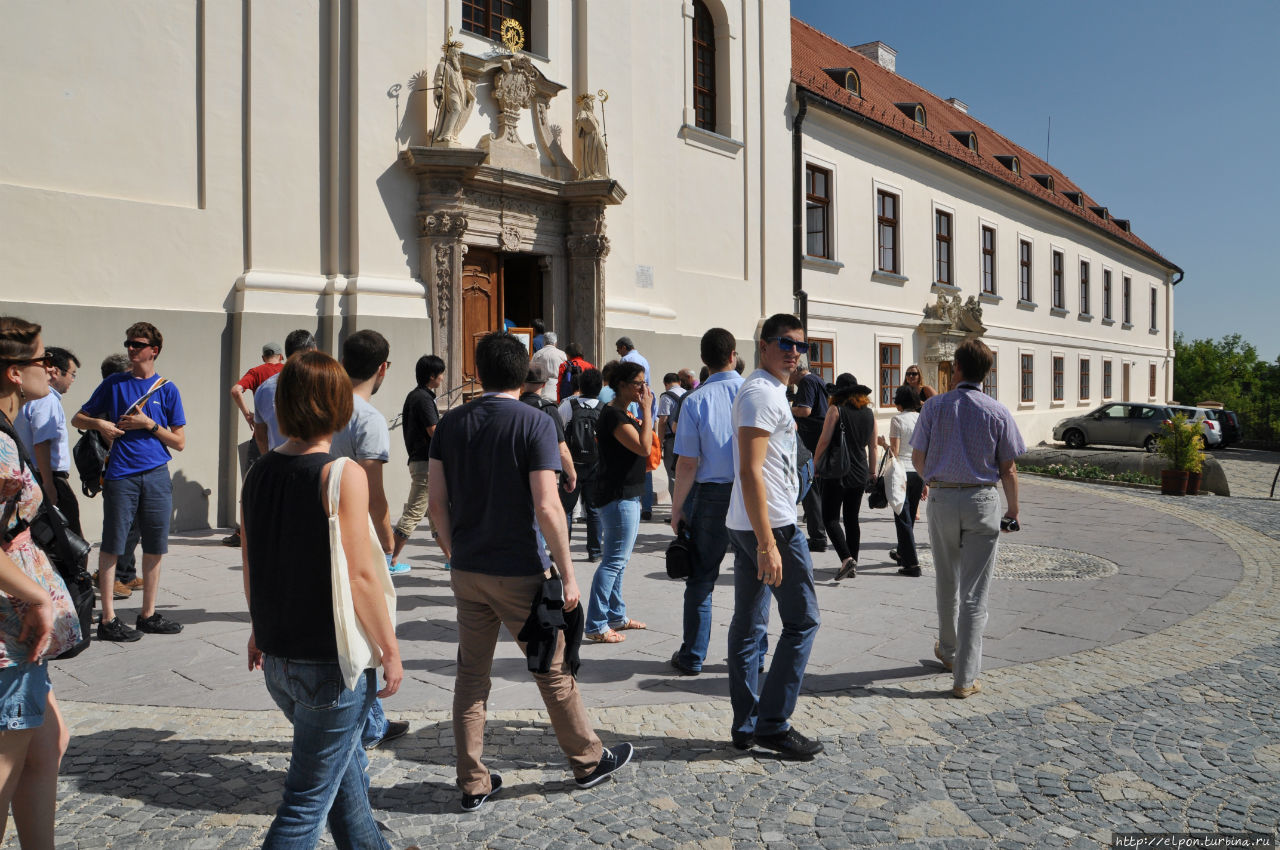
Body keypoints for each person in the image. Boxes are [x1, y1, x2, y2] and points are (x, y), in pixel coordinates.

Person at [428, 332, 633, 811]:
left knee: (470, 677)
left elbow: (437, 504)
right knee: (553, 669)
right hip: (521, 568)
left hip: (468, 568)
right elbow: (547, 505)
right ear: (523, 374)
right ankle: (587, 760)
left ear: (478, 372)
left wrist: (453, 550)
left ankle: (473, 781)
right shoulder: (534, 421)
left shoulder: (451, 423)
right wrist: (569, 573)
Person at [241, 350, 402, 848]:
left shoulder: (259, 471)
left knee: (344, 771)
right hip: (330, 663)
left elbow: (253, 562)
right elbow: (360, 576)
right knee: (305, 802)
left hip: (278, 657)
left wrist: (257, 628)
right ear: (338, 406)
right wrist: (390, 649)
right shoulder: (340, 473)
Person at [725, 313, 823, 760]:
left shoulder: (769, 392)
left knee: (750, 626)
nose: (794, 351)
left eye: (800, 345)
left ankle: (747, 725)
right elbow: (749, 470)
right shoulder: (761, 394)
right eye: (784, 343)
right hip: (772, 526)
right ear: (763, 346)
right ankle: (772, 723)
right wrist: (768, 543)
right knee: (802, 620)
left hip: (753, 522)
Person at [0, 316, 81, 849]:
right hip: (11, 630)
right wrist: (36, 598)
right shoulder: (1, 447)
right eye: (41, 361)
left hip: (21, 632)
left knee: (48, 744)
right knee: (5, 769)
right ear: (13, 373)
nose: (50, 371)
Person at [910, 339, 1024, 699]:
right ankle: (965, 676)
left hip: (943, 497)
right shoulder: (997, 411)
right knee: (975, 592)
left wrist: (933, 480)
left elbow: (916, 457)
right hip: (981, 500)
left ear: (956, 369)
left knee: (946, 578)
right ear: (986, 372)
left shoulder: (934, 407)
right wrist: (1013, 510)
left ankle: (948, 649)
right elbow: (1009, 469)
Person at [72, 322, 187, 642]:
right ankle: (107, 619)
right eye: (129, 344)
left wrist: (148, 424)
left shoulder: (167, 389)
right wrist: (101, 424)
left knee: (154, 546)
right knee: (112, 544)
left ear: (154, 350)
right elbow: (78, 418)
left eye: (138, 344)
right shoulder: (114, 384)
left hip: (156, 474)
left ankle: (148, 614)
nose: (131, 349)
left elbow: (179, 442)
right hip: (121, 474)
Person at [331, 330, 409, 752]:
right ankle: (367, 724)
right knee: (369, 623)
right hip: (356, 531)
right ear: (383, 368)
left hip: (324, 527)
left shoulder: (326, 406)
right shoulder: (369, 418)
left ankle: (371, 718)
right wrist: (387, 535)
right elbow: (372, 489)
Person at [668, 328, 743, 676]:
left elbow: (687, 462)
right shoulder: (752, 391)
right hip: (749, 491)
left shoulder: (695, 400)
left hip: (711, 495)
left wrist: (677, 507)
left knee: (701, 579)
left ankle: (693, 654)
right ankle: (752, 655)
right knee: (753, 579)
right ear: (734, 355)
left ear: (704, 360)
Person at [584, 362, 652, 644]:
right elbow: (644, 447)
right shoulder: (613, 416)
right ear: (622, 385)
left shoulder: (621, 412)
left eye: (644, 382)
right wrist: (647, 411)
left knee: (619, 561)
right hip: (618, 496)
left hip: (626, 494)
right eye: (638, 383)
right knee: (613, 561)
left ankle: (616, 616)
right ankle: (596, 624)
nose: (643, 388)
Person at [812, 373, 877, 581]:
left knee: (829, 517)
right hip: (859, 471)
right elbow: (873, 446)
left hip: (837, 471)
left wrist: (814, 464)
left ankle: (847, 559)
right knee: (851, 519)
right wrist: (873, 472)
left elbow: (824, 440)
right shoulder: (869, 413)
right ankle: (853, 563)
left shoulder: (835, 409)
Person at [224, 341, 286, 547]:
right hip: (286, 437)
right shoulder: (289, 372)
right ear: (281, 356)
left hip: (261, 434)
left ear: (263, 357)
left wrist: (248, 414)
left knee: (252, 482)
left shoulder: (257, 371)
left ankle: (245, 533)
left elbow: (235, 390)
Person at [15, 347, 80, 537]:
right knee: (70, 539)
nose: (72, 380)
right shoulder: (47, 399)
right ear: (56, 371)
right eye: (72, 374)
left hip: (31, 474)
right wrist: (49, 485)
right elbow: (41, 442)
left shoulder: (27, 396)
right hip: (48, 475)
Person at [94, 354, 141, 600]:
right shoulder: (107, 403)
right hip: (119, 472)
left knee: (132, 524)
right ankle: (113, 577)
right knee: (122, 526)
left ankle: (127, 572)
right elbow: (112, 440)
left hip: (129, 471)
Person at [391, 355, 444, 571]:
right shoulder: (423, 399)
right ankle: (390, 559)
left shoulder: (416, 396)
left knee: (436, 513)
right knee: (414, 511)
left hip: (421, 461)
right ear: (432, 376)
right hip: (425, 463)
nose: (442, 378)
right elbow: (434, 431)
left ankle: (451, 558)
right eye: (440, 374)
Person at [878, 386, 925, 577]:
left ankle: (912, 564)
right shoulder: (921, 419)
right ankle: (902, 553)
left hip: (902, 472)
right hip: (918, 471)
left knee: (902, 517)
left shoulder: (897, 420)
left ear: (899, 403)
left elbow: (894, 453)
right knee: (910, 515)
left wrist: (883, 444)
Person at [558, 368, 603, 562]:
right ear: (599, 388)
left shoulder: (568, 406)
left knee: (565, 509)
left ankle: (562, 551)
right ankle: (594, 551)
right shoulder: (604, 408)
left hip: (571, 464)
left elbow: (558, 433)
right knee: (593, 510)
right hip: (595, 465)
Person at [253, 330, 318, 455]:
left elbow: (260, 435)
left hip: (278, 463)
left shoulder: (263, 388)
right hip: (315, 464)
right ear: (312, 351)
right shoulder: (324, 383)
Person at [789, 357, 829, 553]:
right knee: (815, 488)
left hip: (810, 438)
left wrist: (787, 407)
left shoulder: (806, 382)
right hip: (818, 436)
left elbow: (805, 410)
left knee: (809, 486)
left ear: (797, 369)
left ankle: (818, 536)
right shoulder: (817, 379)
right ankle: (819, 533)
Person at [615, 338, 656, 520]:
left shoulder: (626, 362)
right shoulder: (644, 360)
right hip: (643, 417)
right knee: (645, 466)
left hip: (635, 416)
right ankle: (646, 506)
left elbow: (644, 447)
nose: (641, 388)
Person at [656, 372, 686, 502]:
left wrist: (659, 441)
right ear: (679, 382)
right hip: (687, 438)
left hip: (671, 439)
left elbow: (663, 421)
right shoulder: (688, 393)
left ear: (665, 384)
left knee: (672, 473)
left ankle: (676, 508)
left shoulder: (666, 397)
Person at [530, 332, 568, 402]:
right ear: (555, 342)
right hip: (558, 390)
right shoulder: (562, 354)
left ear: (544, 342)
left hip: (542, 391)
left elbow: (532, 374)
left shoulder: (537, 354)